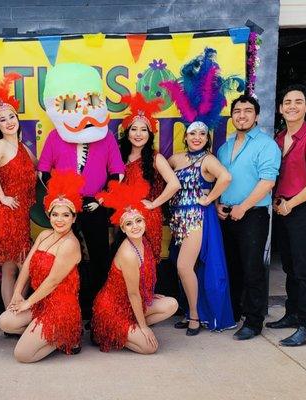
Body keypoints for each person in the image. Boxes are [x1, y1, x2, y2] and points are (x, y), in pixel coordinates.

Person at [160, 48, 238, 335]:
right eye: (192, 133)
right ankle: (192, 311)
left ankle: (194, 316)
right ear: (186, 135)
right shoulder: (176, 159)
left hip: (196, 219)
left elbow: (226, 177)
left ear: (207, 137)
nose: (196, 137)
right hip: (178, 219)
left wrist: (209, 197)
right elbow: (164, 177)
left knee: (183, 266)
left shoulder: (209, 159)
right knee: (186, 268)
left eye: (202, 133)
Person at [38, 63, 125, 319]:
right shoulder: (55, 137)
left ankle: (100, 311)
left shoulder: (107, 137)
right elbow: (43, 172)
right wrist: (60, 199)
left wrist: (100, 199)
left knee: (100, 256)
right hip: (64, 208)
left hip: (94, 206)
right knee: (65, 260)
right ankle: (69, 310)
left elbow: (117, 174)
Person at [267, 84, 306, 346]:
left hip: (301, 209)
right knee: (290, 266)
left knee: (304, 269)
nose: (292, 106)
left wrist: (291, 204)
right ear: (281, 108)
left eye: (298, 102)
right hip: (281, 208)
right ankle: (292, 314)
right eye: (287, 102)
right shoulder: (279, 138)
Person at [0, 170, 83, 363]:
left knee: (23, 355)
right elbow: (27, 265)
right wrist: (18, 293)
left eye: (65, 215)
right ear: (49, 215)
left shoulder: (70, 244)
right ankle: (39, 331)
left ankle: (68, 333)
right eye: (55, 214)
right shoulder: (45, 235)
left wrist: (27, 303)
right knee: (6, 321)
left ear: (74, 218)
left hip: (61, 308)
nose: (59, 219)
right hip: (41, 303)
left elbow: (52, 282)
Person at [216, 95, 281, 341]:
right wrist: (218, 204)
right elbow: (219, 180)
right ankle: (233, 313)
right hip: (228, 214)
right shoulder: (224, 147)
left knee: (252, 268)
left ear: (256, 115)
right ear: (232, 116)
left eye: (247, 111)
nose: (241, 115)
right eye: (237, 111)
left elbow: (268, 181)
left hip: (252, 215)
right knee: (231, 266)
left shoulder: (266, 145)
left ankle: (254, 321)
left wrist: (243, 207)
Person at [91, 180, 178, 354]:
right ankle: (108, 330)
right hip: (112, 310)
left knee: (172, 304)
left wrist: (149, 294)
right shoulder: (128, 254)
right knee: (149, 347)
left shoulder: (143, 242)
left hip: (130, 304)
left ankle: (131, 325)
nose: (135, 226)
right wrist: (144, 327)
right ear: (122, 228)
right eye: (129, 224)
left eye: (138, 220)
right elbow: (132, 293)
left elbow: (142, 282)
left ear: (145, 222)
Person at [0, 72, 37, 307]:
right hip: (8, 214)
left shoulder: (24, 147)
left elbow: (37, 169)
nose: (9, 122)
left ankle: (10, 316)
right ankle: (15, 312)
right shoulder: (2, 145)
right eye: (3, 119)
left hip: (21, 213)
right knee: (24, 267)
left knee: (11, 269)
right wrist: (2, 197)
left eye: (11, 116)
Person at [118, 93, 181, 264]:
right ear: (127, 132)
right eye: (134, 129)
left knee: (146, 261)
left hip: (147, 218)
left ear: (149, 134)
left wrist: (153, 204)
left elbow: (174, 184)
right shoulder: (119, 157)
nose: (138, 134)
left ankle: (147, 291)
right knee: (124, 262)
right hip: (124, 217)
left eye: (143, 130)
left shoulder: (155, 158)